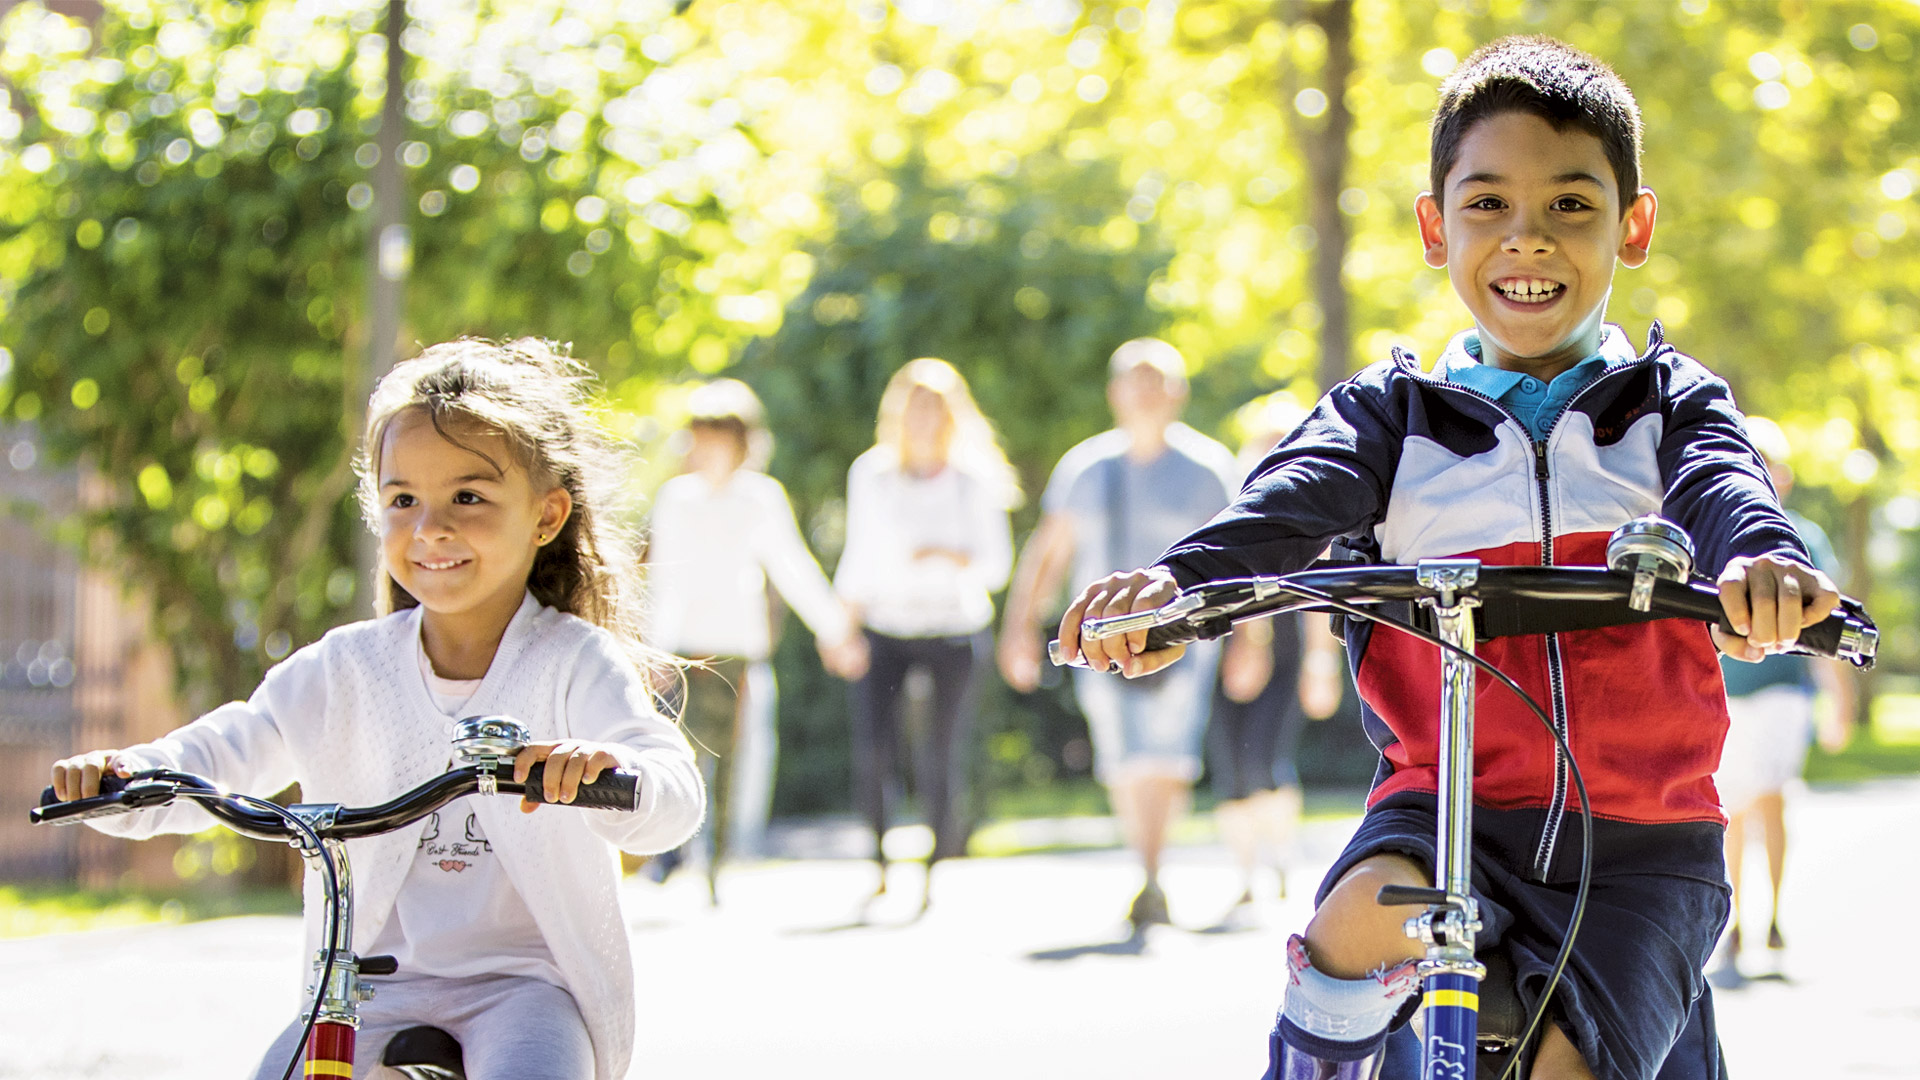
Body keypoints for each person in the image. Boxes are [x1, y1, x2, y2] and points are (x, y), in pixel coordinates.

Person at [1053, 38, 1839, 1080]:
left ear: (1633, 225)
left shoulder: (1668, 404)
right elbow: (1284, 506)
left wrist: (1764, 564)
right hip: (1444, 808)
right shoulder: (1392, 419)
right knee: (1350, 925)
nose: (1528, 240)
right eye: (1486, 206)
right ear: (1434, 226)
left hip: (1644, 843)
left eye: (1570, 206)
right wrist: (1182, 585)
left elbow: (1727, 492)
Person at [47, 339, 705, 1080]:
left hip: (523, 987)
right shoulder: (347, 667)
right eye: (403, 500)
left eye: (469, 497)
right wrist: (129, 777)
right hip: (366, 983)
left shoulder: (572, 662)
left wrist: (609, 772)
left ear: (546, 515)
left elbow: (670, 790)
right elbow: (237, 743)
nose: (431, 528)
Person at [998, 338, 1239, 931]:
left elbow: (1242, 560)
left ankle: (1154, 873)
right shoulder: (1085, 468)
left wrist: (1248, 642)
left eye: (1157, 378)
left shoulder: (1210, 469)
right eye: (1135, 378)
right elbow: (1047, 554)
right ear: (1114, 394)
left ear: (1178, 393)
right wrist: (1019, 628)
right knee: (1124, 754)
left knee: (1171, 752)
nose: (1146, 390)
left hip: (1186, 636)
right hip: (1100, 640)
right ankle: (1147, 871)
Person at [644, 379, 868, 901]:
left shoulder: (760, 498)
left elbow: (792, 568)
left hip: (738, 649)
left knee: (733, 760)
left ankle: (718, 866)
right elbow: (663, 582)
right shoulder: (676, 499)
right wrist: (651, 649)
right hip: (683, 651)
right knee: (682, 755)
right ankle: (676, 854)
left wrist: (836, 631)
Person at [834, 357, 1018, 908]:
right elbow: (858, 557)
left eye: (933, 406)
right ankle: (879, 859)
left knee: (940, 751)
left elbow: (995, 566)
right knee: (874, 748)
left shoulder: (975, 479)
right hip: (886, 626)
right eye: (913, 405)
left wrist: (946, 553)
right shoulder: (871, 474)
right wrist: (840, 627)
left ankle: (937, 865)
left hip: (953, 629)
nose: (922, 417)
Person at [1709, 415, 1851, 982]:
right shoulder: (1716, 536)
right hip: (1731, 697)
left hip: (1783, 693)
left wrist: (1838, 699)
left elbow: (1831, 627)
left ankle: (1772, 914)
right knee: (1735, 812)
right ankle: (1741, 920)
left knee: (1772, 800)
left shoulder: (1803, 538)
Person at [1208, 395, 1346, 919]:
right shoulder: (1234, 503)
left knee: (1267, 758)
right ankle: (1246, 874)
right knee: (1231, 760)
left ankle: (1279, 858)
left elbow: (1316, 596)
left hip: (1285, 644)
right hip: (1231, 640)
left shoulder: (1316, 504)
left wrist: (1320, 662)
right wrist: (1246, 644)